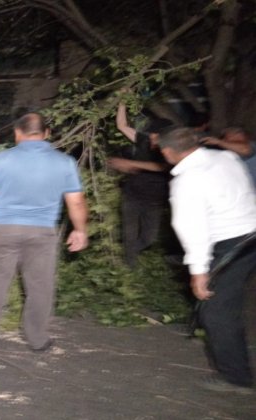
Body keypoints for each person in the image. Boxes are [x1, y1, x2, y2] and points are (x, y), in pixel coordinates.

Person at [0, 113, 89, 351]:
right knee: (40, 287)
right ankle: (37, 339)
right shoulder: (65, 162)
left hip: (5, 229)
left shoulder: (2, 159)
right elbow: (76, 202)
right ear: (47, 133)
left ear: (17, 133)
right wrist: (80, 230)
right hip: (43, 233)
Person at [158, 127, 256, 394]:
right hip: (251, 233)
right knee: (218, 299)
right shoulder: (225, 158)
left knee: (218, 310)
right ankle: (196, 323)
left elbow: (191, 228)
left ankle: (236, 378)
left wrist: (199, 271)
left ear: (167, 152)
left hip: (232, 244)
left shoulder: (187, 181)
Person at [108, 102, 173, 267]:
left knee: (149, 238)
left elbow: (162, 167)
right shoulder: (144, 140)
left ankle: (128, 253)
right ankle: (129, 267)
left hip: (155, 200)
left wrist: (131, 164)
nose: (151, 138)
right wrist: (121, 103)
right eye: (151, 134)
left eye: (155, 136)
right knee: (129, 234)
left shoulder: (172, 151)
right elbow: (122, 126)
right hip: (132, 195)